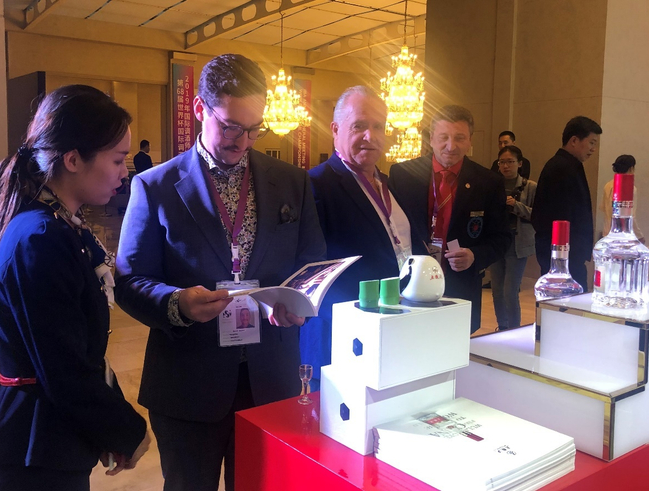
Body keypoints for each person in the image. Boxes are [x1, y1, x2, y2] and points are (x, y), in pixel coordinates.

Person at [115, 54, 326, 491]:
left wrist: (298, 303)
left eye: (254, 129)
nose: (242, 141)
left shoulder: (292, 182)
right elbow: (129, 281)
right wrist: (176, 304)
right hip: (188, 383)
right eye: (230, 127)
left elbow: (311, 263)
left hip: (270, 377)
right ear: (200, 108)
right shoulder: (154, 186)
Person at [0, 85, 150, 491]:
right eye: (117, 159)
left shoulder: (59, 226)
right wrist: (126, 430)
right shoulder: (40, 237)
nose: (125, 171)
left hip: (48, 439)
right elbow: (64, 367)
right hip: (30, 456)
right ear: (73, 159)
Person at [301, 86, 428, 389]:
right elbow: (312, 270)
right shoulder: (315, 185)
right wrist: (366, 319)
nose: (370, 136)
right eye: (359, 126)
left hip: (396, 326)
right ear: (335, 129)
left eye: (378, 126)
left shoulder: (391, 184)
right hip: (342, 336)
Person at [389, 105, 511, 333]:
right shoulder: (402, 175)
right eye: (443, 137)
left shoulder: (488, 182)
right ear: (431, 139)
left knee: (456, 347)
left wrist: (475, 255)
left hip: (461, 286)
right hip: (410, 284)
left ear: (470, 140)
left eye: (459, 138)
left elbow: (502, 237)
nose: (451, 146)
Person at [531, 116, 602, 292]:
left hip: (568, 254)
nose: (593, 149)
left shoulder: (568, 165)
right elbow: (556, 217)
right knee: (567, 303)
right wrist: (569, 252)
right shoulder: (561, 168)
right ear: (574, 140)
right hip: (562, 258)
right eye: (591, 142)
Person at [489, 145, 537, 331]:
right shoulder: (493, 185)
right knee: (497, 290)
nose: (505, 166)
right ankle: (502, 326)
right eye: (502, 162)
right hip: (496, 242)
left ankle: (514, 329)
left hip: (518, 243)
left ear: (520, 163)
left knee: (510, 291)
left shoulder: (530, 187)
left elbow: (537, 215)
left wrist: (516, 205)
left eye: (510, 162)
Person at [602, 154, 644, 241]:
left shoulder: (608, 185)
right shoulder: (630, 188)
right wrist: (639, 236)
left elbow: (604, 208)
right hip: (623, 236)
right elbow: (630, 216)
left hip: (607, 233)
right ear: (631, 168)